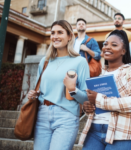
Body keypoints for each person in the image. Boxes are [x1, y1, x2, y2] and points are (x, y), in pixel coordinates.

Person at [27, 20, 90, 150]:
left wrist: (72, 89)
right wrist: (34, 94)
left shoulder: (80, 62)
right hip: (42, 115)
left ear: (70, 36)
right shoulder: (44, 61)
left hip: (66, 116)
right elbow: (40, 89)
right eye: (53, 33)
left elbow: (86, 98)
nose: (55, 36)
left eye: (60, 32)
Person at [79, 30, 131, 150]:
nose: (107, 47)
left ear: (123, 51)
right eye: (105, 44)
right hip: (94, 131)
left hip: (121, 133)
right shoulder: (100, 74)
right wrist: (88, 107)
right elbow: (96, 104)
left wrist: (98, 99)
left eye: (114, 45)